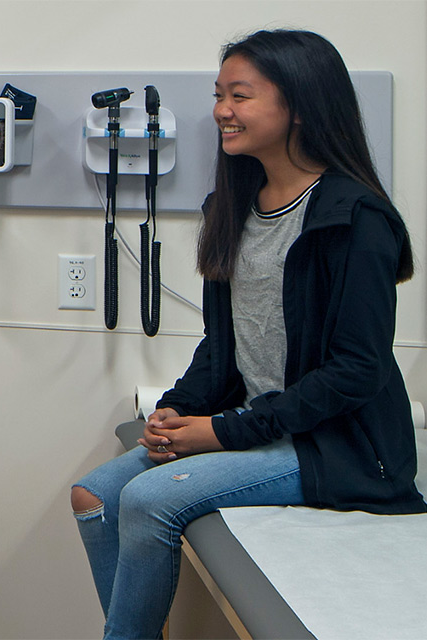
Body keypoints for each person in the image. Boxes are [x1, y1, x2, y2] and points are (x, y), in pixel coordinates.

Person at [70, 29, 427, 639]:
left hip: (335, 446)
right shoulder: (233, 205)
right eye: (219, 96)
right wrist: (179, 408)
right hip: (259, 424)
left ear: (300, 105)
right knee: (95, 495)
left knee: (148, 500)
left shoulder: (357, 217)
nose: (221, 112)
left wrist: (222, 432)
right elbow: (223, 344)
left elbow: (355, 371)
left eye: (241, 96)